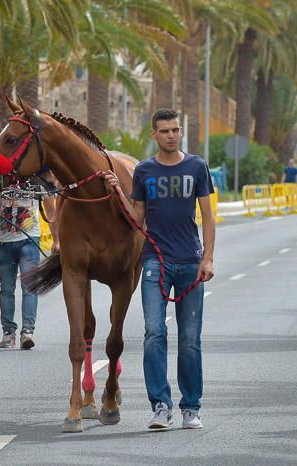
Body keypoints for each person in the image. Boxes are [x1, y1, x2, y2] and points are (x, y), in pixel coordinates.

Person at [102, 108, 216, 430]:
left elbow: (207, 216)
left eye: (175, 130)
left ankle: (191, 407)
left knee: (190, 339)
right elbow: (137, 217)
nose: (171, 135)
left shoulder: (197, 167)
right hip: (155, 262)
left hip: (191, 263)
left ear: (181, 132)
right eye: (164, 130)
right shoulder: (145, 171)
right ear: (154, 134)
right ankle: (161, 407)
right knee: (154, 333)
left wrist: (208, 259)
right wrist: (118, 194)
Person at [0, 197, 41, 350]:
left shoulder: (35, 180)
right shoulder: (0, 182)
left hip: (25, 241)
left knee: (19, 289)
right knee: (13, 289)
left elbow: (50, 207)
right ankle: (16, 332)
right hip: (9, 242)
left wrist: (56, 239)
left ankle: (19, 333)